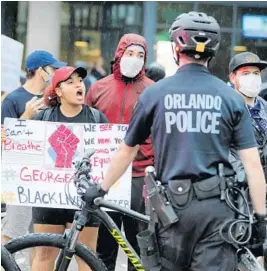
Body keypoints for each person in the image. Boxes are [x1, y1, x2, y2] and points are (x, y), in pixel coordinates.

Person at [81, 12, 266, 271]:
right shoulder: (231, 98)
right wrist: (261, 218)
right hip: (218, 211)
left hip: (171, 212)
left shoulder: (154, 94)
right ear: (213, 49)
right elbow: (253, 166)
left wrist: (100, 189)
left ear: (176, 48)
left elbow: (126, 152)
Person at [85, 33, 154, 271]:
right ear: (119, 54)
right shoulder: (97, 88)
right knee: (104, 246)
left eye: (140, 55)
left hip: (140, 177)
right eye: (130, 53)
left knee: (140, 248)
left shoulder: (154, 91)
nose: (134, 59)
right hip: (107, 177)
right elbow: (85, 129)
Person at [31, 66, 108, 271]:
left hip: (85, 198)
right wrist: (8, 139)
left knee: (87, 256)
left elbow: (109, 155)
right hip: (48, 197)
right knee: (45, 254)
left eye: (80, 80)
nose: (78, 84)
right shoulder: (43, 118)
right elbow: (27, 151)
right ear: (58, 91)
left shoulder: (97, 119)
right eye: (71, 81)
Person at [1, 50, 66, 245]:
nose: (55, 72)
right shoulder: (13, 99)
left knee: (41, 240)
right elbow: (6, 140)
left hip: (48, 178)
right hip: (21, 178)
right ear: (40, 70)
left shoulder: (56, 98)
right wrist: (27, 115)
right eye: (53, 69)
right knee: (14, 233)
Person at [229, 52, 267, 180]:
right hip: (240, 186)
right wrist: (244, 176)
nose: (252, 78)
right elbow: (220, 149)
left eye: (256, 73)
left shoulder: (264, 106)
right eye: (245, 73)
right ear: (233, 78)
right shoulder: (225, 107)